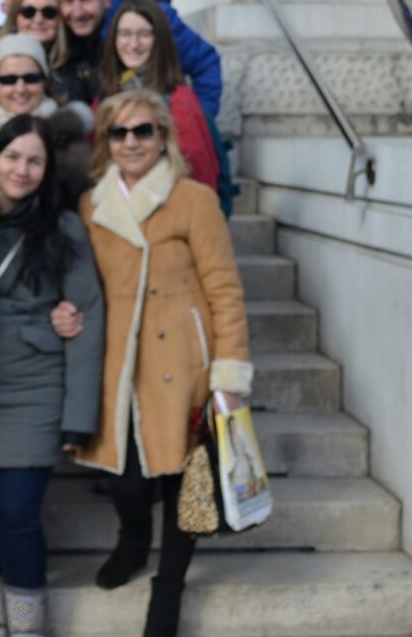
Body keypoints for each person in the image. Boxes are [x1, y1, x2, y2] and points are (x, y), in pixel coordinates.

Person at [77, 89, 253, 637]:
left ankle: (169, 588)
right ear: (106, 141)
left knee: (185, 485)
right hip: (119, 364)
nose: (131, 142)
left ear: (163, 137)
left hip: (183, 362)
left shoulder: (193, 199)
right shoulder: (91, 206)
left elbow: (224, 290)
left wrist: (228, 374)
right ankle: (132, 543)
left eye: (143, 131)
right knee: (129, 483)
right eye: (119, 132)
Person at [0, 115, 105, 637]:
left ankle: (26, 627)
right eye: (12, 157)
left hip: (31, 393)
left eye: (35, 161)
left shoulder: (63, 228)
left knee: (15, 516)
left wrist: (78, 418)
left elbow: (87, 317)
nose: (21, 170)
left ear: (48, 169)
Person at [55, 0, 221, 120]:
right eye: (68, 1)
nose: (77, 12)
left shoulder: (153, 19)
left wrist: (198, 119)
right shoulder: (58, 31)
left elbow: (205, 62)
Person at [97, 0, 221, 196]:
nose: (134, 44)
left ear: (160, 40)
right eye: (125, 34)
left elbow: (199, 178)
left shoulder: (180, 102)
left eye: (145, 34)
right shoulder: (105, 94)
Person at [0, 34, 92, 184]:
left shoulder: (71, 145)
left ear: (44, 83)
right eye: (8, 80)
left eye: (31, 78)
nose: (20, 89)